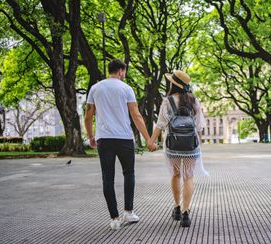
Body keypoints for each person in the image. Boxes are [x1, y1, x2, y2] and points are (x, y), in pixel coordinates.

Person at [85, 59, 157, 230]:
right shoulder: (126, 89)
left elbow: (88, 116)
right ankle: (129, 212)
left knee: (107, 178)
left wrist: (91, 136)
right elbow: (136, 115)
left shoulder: (95, 88)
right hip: (124, 138)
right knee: (129, 173)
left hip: (104, 139)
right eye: (124, 71)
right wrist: (148, 139)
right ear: (121, 71)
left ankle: (114, 218)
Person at [149, 70, 207, 228]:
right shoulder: (194, 101)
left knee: (176, 174)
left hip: (173, 145)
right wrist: (198, 145)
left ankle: (176, 208)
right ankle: (186, 214)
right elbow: (200, 126)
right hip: (191, 146)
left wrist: (150, 141)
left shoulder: (167, 101)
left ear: (173, 84)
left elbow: (160, 124)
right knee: (188, 176)